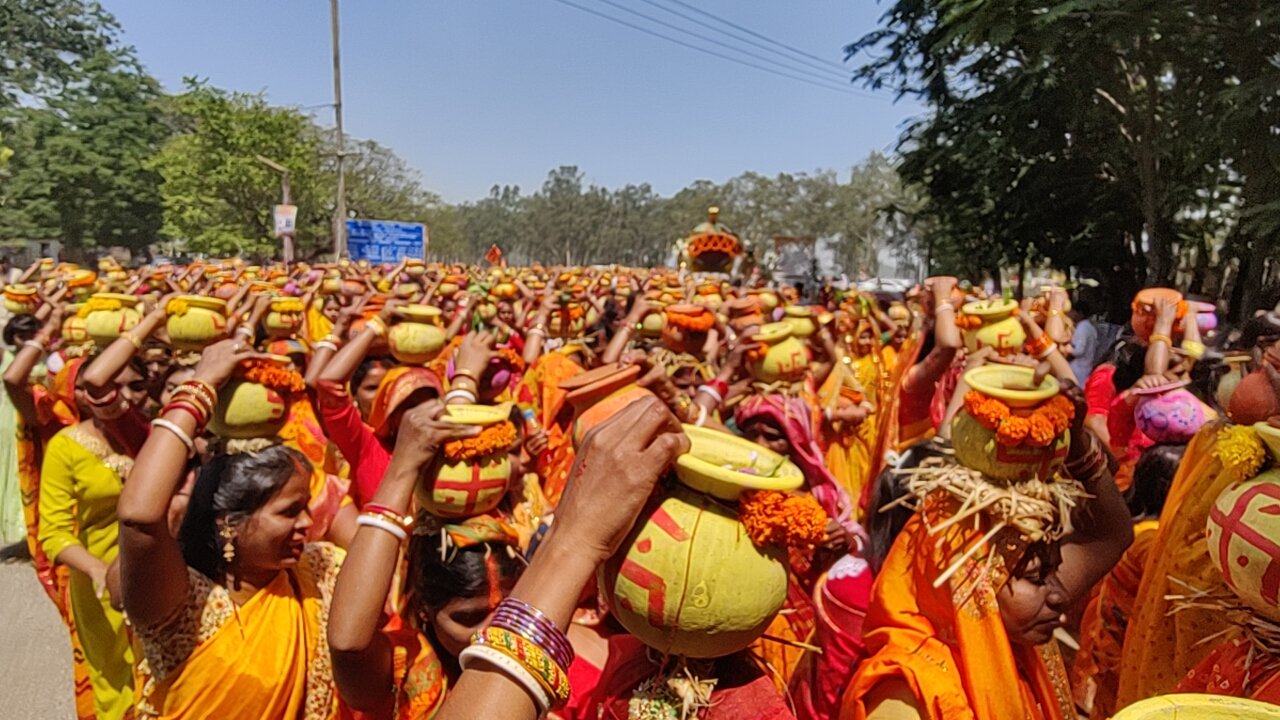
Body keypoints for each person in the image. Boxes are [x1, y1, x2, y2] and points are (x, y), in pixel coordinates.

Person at [841, 384, 1132, 720]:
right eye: (1037, 577)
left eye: (1052, 571)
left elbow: (1109, 534)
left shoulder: (1010, 622)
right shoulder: (906, 697)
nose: (1059, 599)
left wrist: (1075, 437)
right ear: (970, 579)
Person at [118, 339, 346, 719]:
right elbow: (139, 516)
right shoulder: (185, 604)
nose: (308, 523)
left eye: (307, 505)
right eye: (290, 511)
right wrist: (200, 385)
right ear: (229, 523)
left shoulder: (319, 570)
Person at [38, 353, 151, 719]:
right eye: (112, 387)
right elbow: (53, 532)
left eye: (136, 386)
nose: (126, 397)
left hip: (158, 571)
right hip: (99, 586)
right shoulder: (65, 446)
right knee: (115, 685)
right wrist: (101, 572)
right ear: (86, 395)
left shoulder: (156, 438)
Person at [1068, 298, 1098, 383]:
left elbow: (1079, 351)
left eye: (1073, 312)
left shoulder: (1083, 328)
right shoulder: (1088, 326)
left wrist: (1068, 349)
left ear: (1080, 313)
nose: (1070, 314)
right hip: (1085, 366)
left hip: (1079, 368)